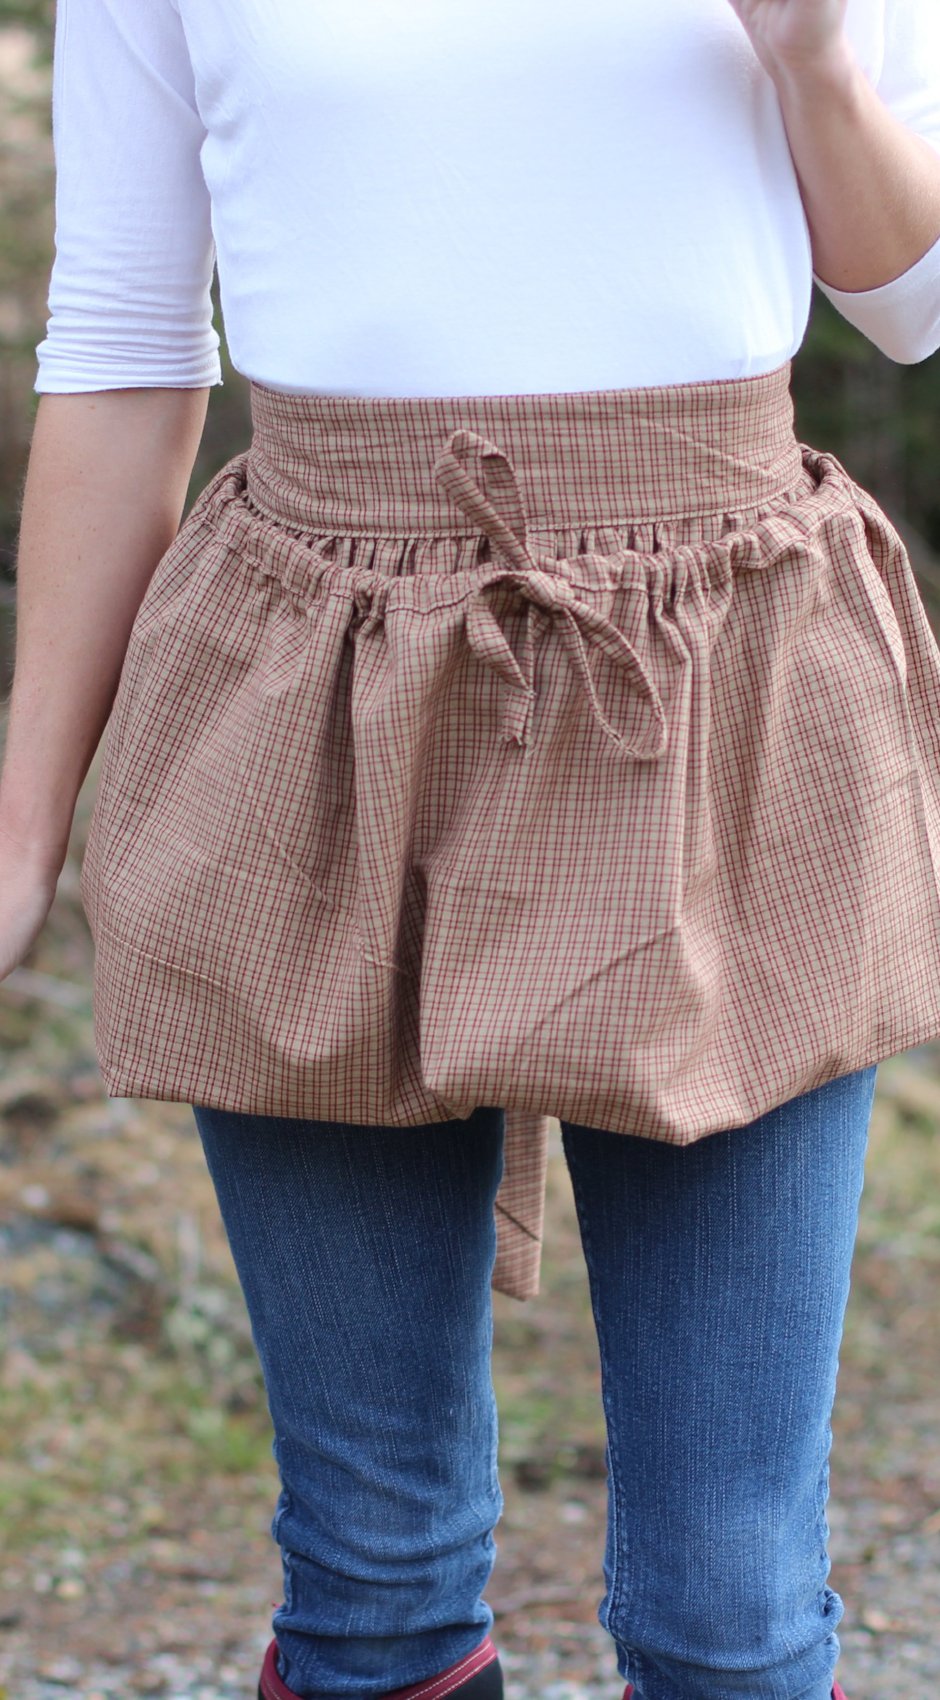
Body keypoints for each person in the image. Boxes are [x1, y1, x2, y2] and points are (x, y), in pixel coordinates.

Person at [4, 0, 940, 1695]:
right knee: (372, 1584)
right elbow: (127, 345)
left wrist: (811, 53)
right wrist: (19, 829)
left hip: (725, 681)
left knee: (729, 1607)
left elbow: (913, 303)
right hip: (312, 690)